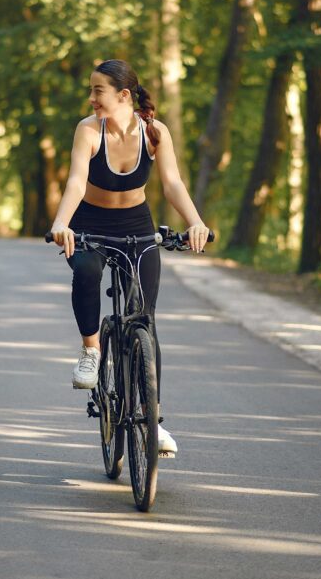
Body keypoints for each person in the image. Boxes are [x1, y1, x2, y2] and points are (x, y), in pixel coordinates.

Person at [49, 59, 210, 457]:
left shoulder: (155, 133)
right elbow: (75, 180)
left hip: (137, 225)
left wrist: (195, 223)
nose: (91, 98)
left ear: (123, 95)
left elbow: (172, 182)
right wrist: (62, 223)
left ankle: (152, 420)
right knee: (86, 270)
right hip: (90, 222)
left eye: (97, 91)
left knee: (145, 321)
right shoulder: (89, 129)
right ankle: (91, 351)